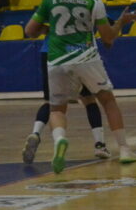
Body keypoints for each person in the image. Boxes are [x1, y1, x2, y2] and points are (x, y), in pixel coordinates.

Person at [24, 0, 136, 174]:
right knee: (107, 100)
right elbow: (107, 37)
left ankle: (60, 141)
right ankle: (124, 149)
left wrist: (50, 28)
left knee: (57, 108)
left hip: (57, 60)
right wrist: (122, 22)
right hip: (86, 58)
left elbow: (30, 31)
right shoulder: (93, 1)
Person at [21, 31, 110, 164]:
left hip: (51, 51)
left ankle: (36, 133)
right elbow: (107, 25)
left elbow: (30, 30)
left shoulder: (47, 9)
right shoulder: (89, 8)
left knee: (52, 103)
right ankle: (100, 145)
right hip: (81, 52)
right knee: (89, 99)